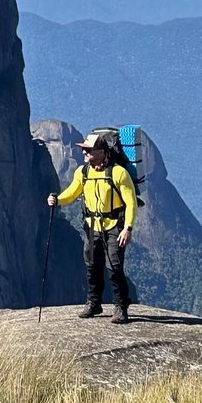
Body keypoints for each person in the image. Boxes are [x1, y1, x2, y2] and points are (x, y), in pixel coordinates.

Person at [47, 134, 137, 323]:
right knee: (92, 265)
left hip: (114, 226)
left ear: (102, 152)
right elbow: (72, 193)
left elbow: (131, 203)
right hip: (92, 226)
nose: (84, 152)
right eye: (84, 149)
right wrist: (57, 200)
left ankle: (121, 306)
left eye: (88, 150)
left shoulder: (118, 173)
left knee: (114, 266)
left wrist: (127, 228)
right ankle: (94, 302)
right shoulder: (83, 172)